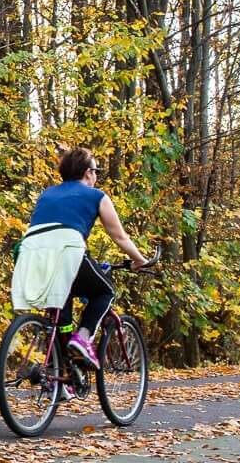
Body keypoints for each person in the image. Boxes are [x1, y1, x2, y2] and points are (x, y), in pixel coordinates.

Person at [10, 147, 150, 369]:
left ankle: (60, 378)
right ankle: (83, 338)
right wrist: (140, 260)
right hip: (67, 250)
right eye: (97, 171)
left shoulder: (46, 194)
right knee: (105, 291)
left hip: (30, 254)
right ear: (88, 172)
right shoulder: (96, 196)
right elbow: (119, 237)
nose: (96, 176)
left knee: (59, 315)